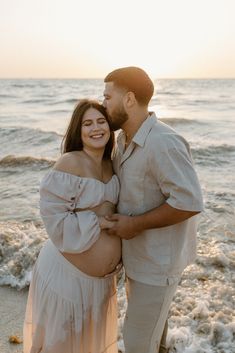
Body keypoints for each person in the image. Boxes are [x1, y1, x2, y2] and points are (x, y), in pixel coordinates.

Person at [103, 67, 204, 353]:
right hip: (138, 261)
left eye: (108, 96)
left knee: (136, 345)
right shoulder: (122, 141)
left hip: (157, 266)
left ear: (130, 99)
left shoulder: (163, 142)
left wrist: (134, 225)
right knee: (154, 340)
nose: (103, 104)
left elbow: (189, 201)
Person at [23, 99, 122, 353]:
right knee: (60, 346)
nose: (96, 128)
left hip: (100, 284)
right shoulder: (70, 162)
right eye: (87, 123)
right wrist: (98, 222)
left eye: (101, 121)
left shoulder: (112, 164)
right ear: (78, 131)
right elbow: (54, 220)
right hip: (66, 277)